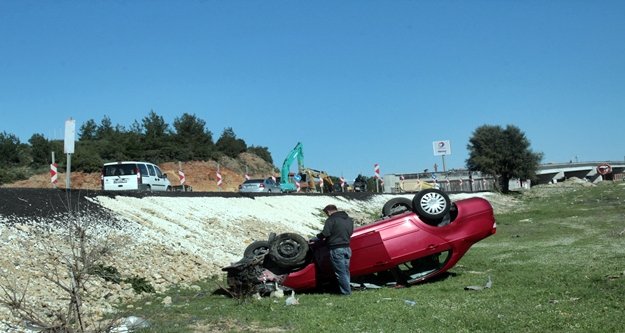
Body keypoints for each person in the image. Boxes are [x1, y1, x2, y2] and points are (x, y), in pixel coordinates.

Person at [317, 204, 354, 295]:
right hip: (347, 247)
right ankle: (347, 289)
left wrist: (318, 236)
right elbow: (351, 232)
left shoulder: (331, 220)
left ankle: (346, 292)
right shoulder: (349, 219)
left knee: (340, 272)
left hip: (336, 248)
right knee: (345, 271)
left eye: (326, 213)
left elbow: (326, 233)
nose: (327, 215)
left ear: (329, 211)